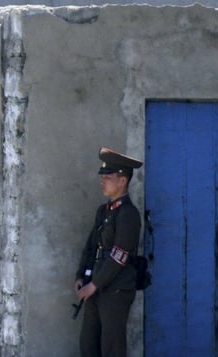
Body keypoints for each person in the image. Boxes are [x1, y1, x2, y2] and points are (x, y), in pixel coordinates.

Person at [75, 147, 143, 357]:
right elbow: (91, 246)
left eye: (108, 177)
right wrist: (81, 275)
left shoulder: (128, 214)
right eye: (102, 177)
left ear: (122, 181)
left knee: (111, 346)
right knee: (88, 343)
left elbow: (119, 255)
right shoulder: (103, 211)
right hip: (96, 285)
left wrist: (94, 284)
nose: (102, 181)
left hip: (116, 288)